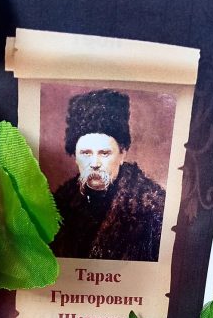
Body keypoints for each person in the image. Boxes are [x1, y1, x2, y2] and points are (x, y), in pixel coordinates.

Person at [52, 89, 166, 261]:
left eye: (104, 153)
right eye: (86, 153)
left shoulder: (151, 208)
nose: (95, 163)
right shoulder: (59, 205)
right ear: (75, 156)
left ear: (122, 154)